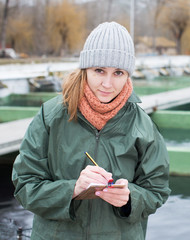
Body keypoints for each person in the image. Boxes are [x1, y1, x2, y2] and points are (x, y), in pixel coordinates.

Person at [12, 22, 170, 240]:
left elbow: (157, 190)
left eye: (118, 73)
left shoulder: (143, 125)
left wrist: (130, 198)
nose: (107, 83)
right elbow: (24, 185)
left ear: (128, 75)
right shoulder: (50, 116)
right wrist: (73, 190)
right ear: (85, 69)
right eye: (99, 70)